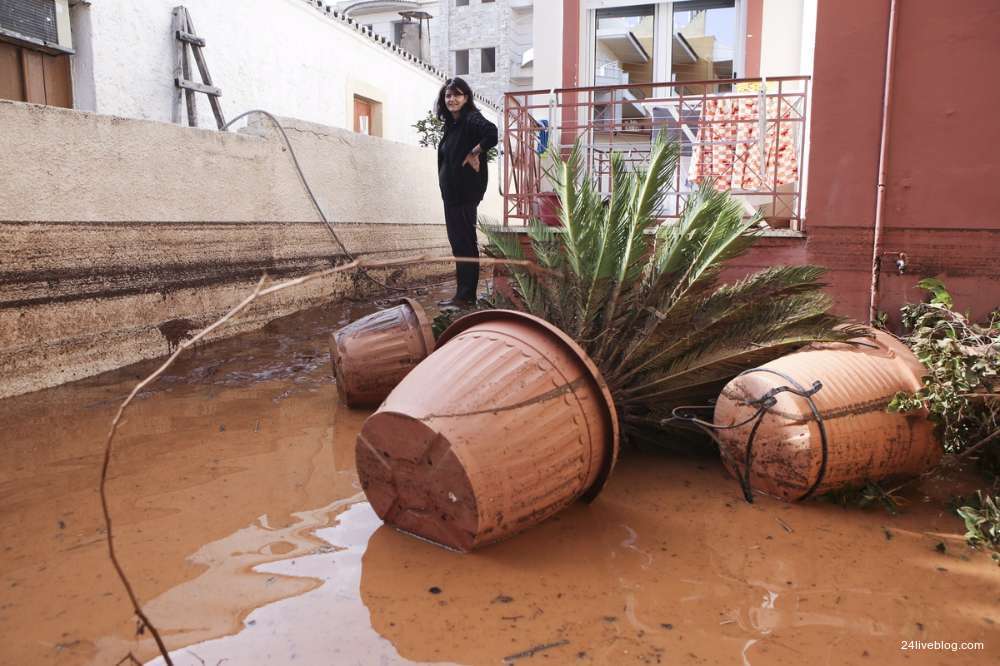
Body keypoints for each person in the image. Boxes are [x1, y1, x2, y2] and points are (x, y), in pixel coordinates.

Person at [434, 77, 498, 310]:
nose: (452, 99)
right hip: (451, 195)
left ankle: (465, 297)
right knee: (458, 244)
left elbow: (492, 133)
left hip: (465, 193)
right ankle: (462, 295)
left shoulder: (471, 119)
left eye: (457, 95)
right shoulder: (452, 126)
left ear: (466, 97)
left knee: (465, 244)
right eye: (448, 95)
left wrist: (475, 152)